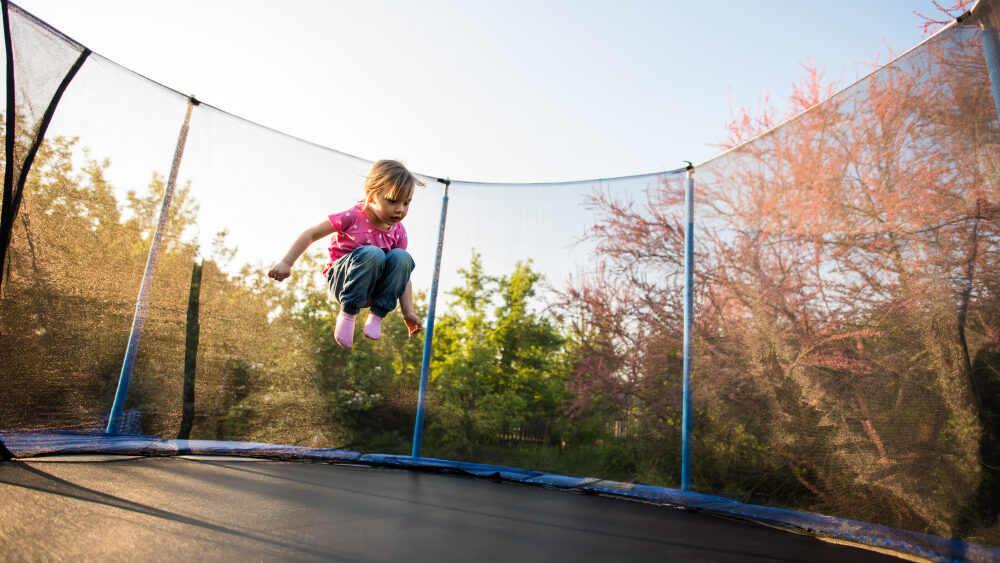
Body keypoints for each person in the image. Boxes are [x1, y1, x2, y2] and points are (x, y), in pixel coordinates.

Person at [268, 160, 424, 349]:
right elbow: (311, 234)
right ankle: (348, 314)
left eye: (406, 203)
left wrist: (408, 312)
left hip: (372, 290)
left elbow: (403, 274)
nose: (400, 209)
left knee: (403, 258)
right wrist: (286, 262)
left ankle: (377, 315)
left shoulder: (399, 232)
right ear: (371, 195)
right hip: (344, 281)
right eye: (392, 201)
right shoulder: (353, 216)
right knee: (373, 253)